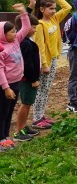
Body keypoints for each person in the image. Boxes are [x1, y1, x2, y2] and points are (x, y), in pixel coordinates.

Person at [31, 0, 71, 129]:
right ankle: (36, 118)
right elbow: (40, 47)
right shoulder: (40, 25)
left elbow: (67, 8)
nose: (54, 11)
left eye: (55, 8)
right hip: (45, 62)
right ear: (42, 9)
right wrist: (44, 64)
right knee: (41, 90)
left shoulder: (54, 19)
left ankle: (41, 115)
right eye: (51, 8)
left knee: (46, 89)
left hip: (53, 59)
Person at [0, 5, 30, 150]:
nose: (15, 33)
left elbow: (26, 28)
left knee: (9, 111)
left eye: (14, 31)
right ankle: (1, 139)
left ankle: (6, 136)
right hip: (6, 86)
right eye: (11, 32)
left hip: (16, 82)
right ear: (2, 34)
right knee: (2, 112)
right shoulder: (2, 49)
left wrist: (24, 13)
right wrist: (6, 88)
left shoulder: (16, 40)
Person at [12, 14, 41, 142]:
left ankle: (24, 127)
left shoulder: (26, 41)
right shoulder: (25, 43)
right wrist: (33, 79)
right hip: (27, 80)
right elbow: (27, 64)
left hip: (30, 79)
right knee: (25, 104)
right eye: (33, 27)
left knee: (28, 103)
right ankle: (18, 131)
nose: (35, 30)